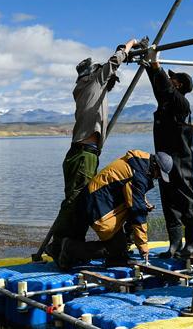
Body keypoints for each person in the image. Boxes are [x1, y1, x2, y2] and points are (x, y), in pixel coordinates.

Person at [47, 40, 138, 263]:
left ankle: (67, 243)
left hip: (81, 153)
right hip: (84, 154)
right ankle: (59, 243)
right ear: (92, 74)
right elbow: (114, 61)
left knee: (76, 200)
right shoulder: (92, 82)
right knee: (75, 200)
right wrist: (129, 45)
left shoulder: (85, 88)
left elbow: (107, 80)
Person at [57, 149, 173, 270]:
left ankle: (116, 255)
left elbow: (131, 191)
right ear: (155, 165)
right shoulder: (138, 174)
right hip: (97, 206)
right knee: (113, 250)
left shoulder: (140, 164)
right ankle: (70, 248)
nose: (158, 177)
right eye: (159, 173)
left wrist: (144, 203)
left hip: (97, 200)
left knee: (120, 253)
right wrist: (143, 247)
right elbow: (137, 212)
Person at [143, 48, 193, 259]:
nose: (169, 79)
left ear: (179, 85)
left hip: (181, 161)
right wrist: (149, 65)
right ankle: (175, 243)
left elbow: (164, 87)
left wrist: (156, 65)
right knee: (168, 201)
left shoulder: (181, 103)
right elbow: (159, 85)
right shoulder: (165, 101)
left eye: (172, 79)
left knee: (186, 200)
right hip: (165, 159)